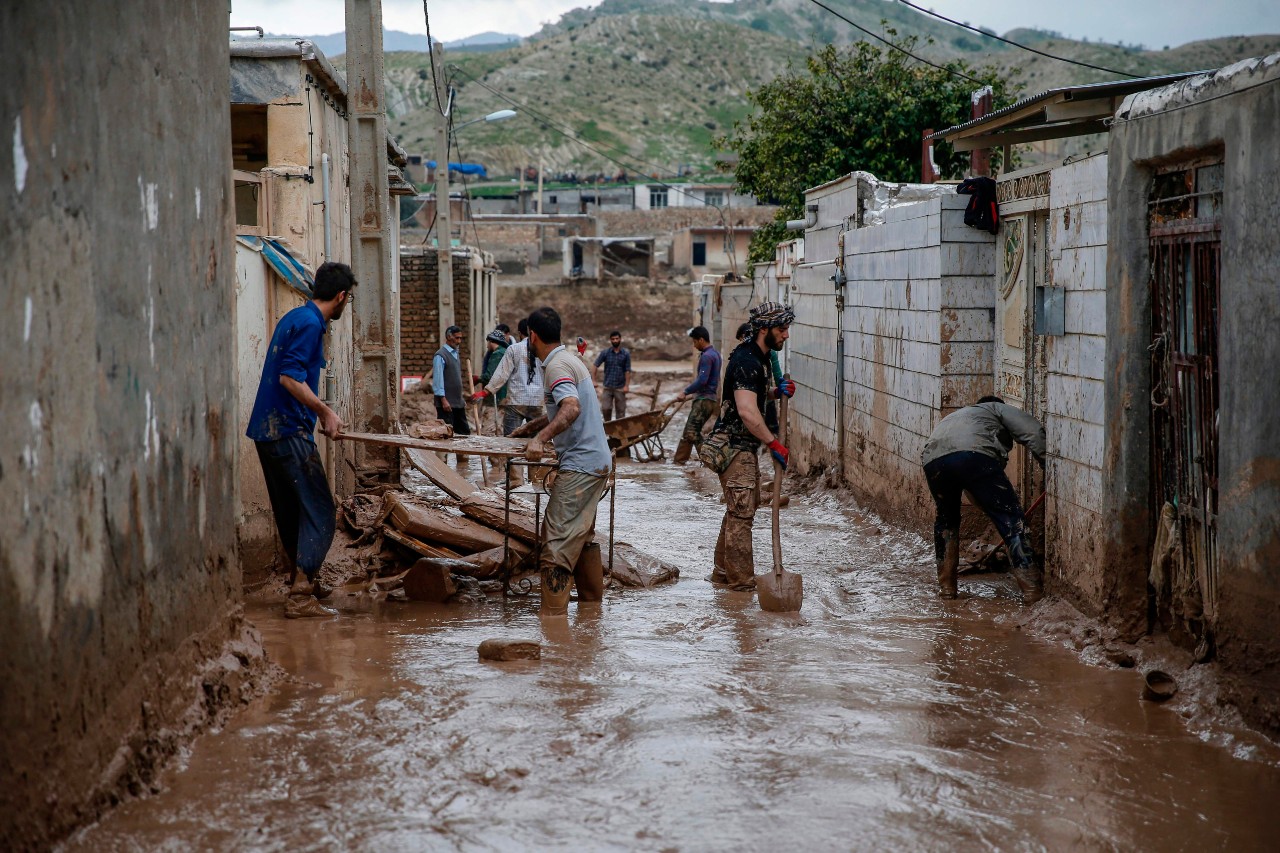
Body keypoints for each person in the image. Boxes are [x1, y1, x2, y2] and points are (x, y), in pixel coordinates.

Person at [246, 261, 356, 618]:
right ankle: (301, 595)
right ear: (341, 297)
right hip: (288, 429)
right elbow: (290, 379)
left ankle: (304, 580)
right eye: (347, 300)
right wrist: (326, 412)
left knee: (294, 512)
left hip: (268, 430)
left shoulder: (294, 317)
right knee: (322, 509)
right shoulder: (311, 324)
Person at [524, 307, 614, 614]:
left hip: (581, 464)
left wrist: (540, 439)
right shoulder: (571, 359)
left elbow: (571, 408)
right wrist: (533, 427)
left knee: (556, 543)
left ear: (531, 336)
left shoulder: (555, 365)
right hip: (596, 460)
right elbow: (568, 406)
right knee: (582, 535)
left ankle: (553, 621)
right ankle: (591, 611)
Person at [921, 395, 1046, 603]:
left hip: (933, 462)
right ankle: (1033, 592)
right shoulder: (996, 408)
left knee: (946, 522)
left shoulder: (958, 416)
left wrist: (989, 506)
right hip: (974, 456)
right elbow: (1034, 432)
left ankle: (947, 589)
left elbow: (974, 487)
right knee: (1011, 519)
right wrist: (1047, 463)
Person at [708, 302, 797, 590]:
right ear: (764, 329)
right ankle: (741, 586)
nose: (785, 336)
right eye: (781, 330)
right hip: (734, 448)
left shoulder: (755, 357)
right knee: (742, 514)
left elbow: (748, 398)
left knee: (738, 510)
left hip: (739, 447)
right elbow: (747, 411)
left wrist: (773, 392)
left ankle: (722, 574)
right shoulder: (747, 362)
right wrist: (774, 444)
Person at [474, 318, 544, 436]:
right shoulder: (543, 350)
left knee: (510, 440)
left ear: (520, 333)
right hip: (537, 401)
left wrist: (486, 391)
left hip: (516, 402)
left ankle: (509, 455)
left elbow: (502, 374)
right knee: (535, 439)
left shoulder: (513, 349)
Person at [673, 326, 721, 464]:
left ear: (701, 339)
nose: (694, 345)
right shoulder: (716, 354)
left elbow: (702, 380)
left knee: (691, 432)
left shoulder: (707, 356)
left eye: (694, 342)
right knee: (691, 432)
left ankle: (709, 460)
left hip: (704, 400)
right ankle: (679, 462)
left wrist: (685, 392)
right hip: (709, 399)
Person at [432, 325, 470, 436]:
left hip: (457, 403)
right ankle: (441, 454)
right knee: (445, 434)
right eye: (456, 338)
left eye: (460, 338)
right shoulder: (440, 355)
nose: (459, 341)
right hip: (446, 404)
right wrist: (443, 400)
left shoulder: (455, 354)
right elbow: (438, 381)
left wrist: (461, 398)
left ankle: (461, 454)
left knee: (464, 434)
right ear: (449, 337)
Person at [592, 330, 632, 420]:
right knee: (605, 409)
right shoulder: (605, 353)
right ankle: (608, 430)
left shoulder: (626, 354)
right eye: (613, 339)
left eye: (617, 339)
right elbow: (595, 365)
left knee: (621, 412)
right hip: (607, 387)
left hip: (620, 387)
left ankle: (618, 433)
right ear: (610, 340)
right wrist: (593, 380)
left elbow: (628, 371)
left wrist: (627, 386)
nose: (615, 341)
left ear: (620, 339)